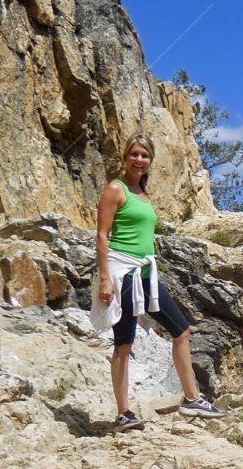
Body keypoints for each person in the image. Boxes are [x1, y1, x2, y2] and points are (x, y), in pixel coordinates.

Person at [91, 132, 224, 428]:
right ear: (125, 157)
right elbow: (102, 235)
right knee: (123, 343)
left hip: (147, 273)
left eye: (145, 155)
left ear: (151, 161)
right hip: (123, 272)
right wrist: (104, 279)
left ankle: (192, 399)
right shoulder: (116, 189)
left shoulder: (143, 195)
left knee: (182, 330)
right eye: (134, 154)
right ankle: (123, 412)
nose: (139, 160)